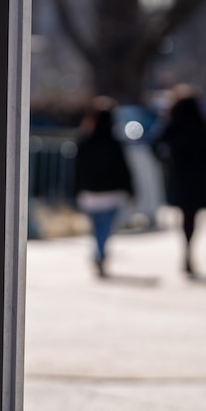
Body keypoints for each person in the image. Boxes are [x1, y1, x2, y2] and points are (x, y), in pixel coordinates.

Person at [152, 85, 206, 276]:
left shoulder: (173, 123)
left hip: (180, 174)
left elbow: (154, 143)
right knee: (193, 215)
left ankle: (187, 250)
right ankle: (189, 250)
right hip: (197, 175)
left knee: (185, 214)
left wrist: (165, 160)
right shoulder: (201, 123)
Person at [73, 96, 134, 277]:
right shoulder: (115, 142)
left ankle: (99, 252)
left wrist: (76, 191)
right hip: (110, 194)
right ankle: (100, 253)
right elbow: (124, 169)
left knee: (97, 227)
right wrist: (130, 190)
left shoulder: (84, 140)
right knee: (104, 228)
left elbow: (77, 170)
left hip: (90, 194)